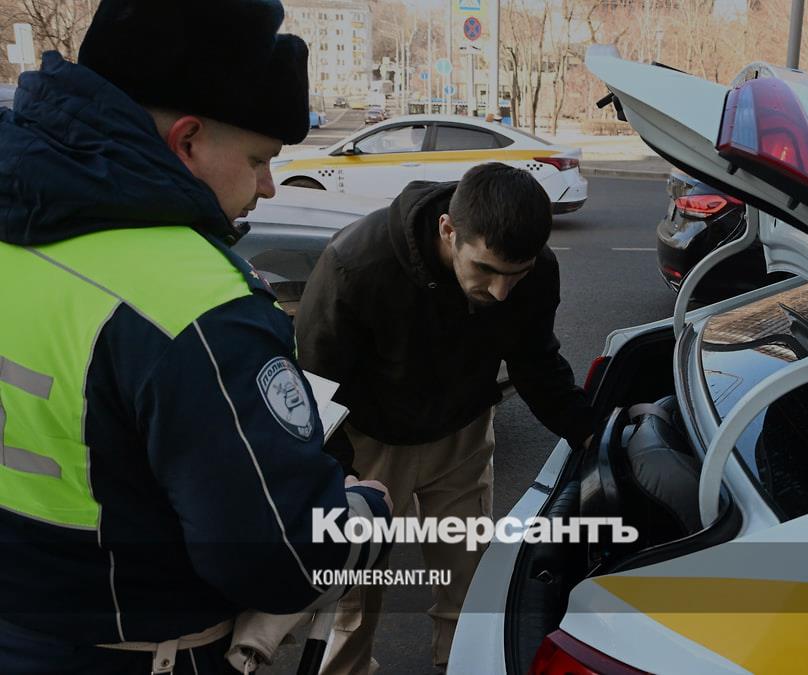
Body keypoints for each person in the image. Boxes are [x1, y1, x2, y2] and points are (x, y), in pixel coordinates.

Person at [0, 1, 392, 672]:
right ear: (187, 142)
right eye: (260, 159)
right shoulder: (199, 304)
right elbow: (278, 558)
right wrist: (362, 514)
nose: (268, 186)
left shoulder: (19, 214)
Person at [296, 162, 594, 671]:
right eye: (486, 270)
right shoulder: (356, 263)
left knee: (470, 585)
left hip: (462, 436)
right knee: (352, 597)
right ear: (448, 229)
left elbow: (535, 361)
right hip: (369, 444)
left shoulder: (536, 269)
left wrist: (589, 430)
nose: (500, 292)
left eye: (516, 275)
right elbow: (317, 383)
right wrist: (338, 471)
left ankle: (461, 665)